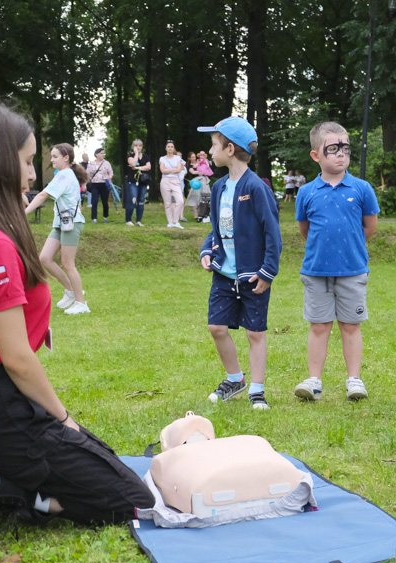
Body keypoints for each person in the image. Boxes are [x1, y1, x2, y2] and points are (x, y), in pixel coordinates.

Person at [0, 100, 153, 544]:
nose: (33, 175)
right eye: (28, 162)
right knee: (132, 500)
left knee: (105, 462)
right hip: (2, 406)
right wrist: (63, 417)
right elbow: (16, 360)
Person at [198, 117, 282, 409]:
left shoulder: (257, 188)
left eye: (213, 144)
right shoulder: (219, 187)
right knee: (216, 327)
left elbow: (273, 233)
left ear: (230, 149)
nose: (210, 151)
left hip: (253, 275)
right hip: (223, 274)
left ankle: (256, 390)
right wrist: (208, 250)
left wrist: (268, 272)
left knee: (254, 333)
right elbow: (217, 229)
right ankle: (235, 379)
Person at [293, 122, 380, 402]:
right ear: (316, 155)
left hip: (353, 271)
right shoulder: (306, 192)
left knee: (350, 326)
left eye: (345, 147)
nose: (341, 154)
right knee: (319, 326)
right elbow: (305, 230)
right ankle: (314, 380)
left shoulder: (363, 188)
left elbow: (369, 227)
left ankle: (354, 380)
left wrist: (348, 248)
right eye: (333, 148)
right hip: (316, 271)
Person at [24, 143, 90, 315]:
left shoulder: (65, 175)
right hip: (62, 224)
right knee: (45, 258)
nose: (51, 159)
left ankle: (81, 303)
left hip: (71, 224)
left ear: (66, 158)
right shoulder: (64, 175)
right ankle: (70, 291)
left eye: (55, 156)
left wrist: (24, 213)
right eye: (52, 156)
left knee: (68, 264)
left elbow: (43, 195)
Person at [126, 139, 151, 226]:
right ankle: (128, 220)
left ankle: (138, 220)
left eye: (140, 146)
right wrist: (136, 154)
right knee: (133, 199)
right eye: (136, 146)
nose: (138, 147)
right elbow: (133, 163)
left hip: (143, 182)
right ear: (133, 147)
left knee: (141, 200)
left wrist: (137, 168)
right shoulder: (130, 156)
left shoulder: (145, 156)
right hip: (133, 181)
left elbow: (148, 167)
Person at [159, 140, 184, 229]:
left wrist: (168, 170)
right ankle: (170, 222)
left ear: (174, 148)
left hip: (175, 180)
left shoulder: (177, 158)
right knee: (167, 202)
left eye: (172, 147)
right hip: (165, 181)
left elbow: (179, 169)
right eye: (168, 146)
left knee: (180, 200)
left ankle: (175, 221)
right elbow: (162, 170)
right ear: (166, 148)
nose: (170, 148)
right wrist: (173, 169)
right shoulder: (162, 158)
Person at [86, 148, 113, 223]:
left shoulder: (107, 163)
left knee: (105, 201)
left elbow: (110, 172)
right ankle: (94, 218)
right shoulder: (91, 164)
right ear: (96, 154)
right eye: (101, 153)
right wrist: (87, 182)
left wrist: (109, 178)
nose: (103, 155)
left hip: (104, 184)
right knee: (94, 201)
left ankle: (105, 217)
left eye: (104, 153)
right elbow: (88, 174)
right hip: (95, 184)